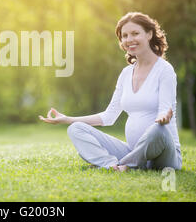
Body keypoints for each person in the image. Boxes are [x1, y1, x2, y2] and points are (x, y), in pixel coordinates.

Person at [39, 11, 182, 172]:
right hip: (134, 151)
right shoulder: (126, 73)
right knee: (76, 128)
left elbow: (165, 108)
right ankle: (113, 165)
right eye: (125, 36)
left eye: (135, 33)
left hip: (164, 156)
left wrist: (163, 116)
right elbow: (109, 116)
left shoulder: (164, 70)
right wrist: (66, 119)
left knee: (158, 130)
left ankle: (127, 165)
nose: (129, 39)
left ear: (149, 34)